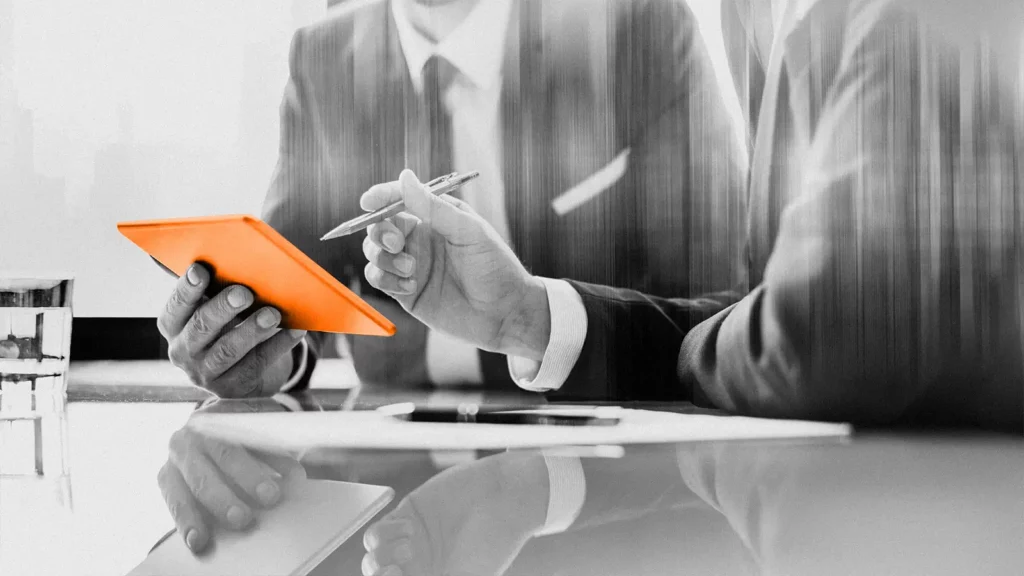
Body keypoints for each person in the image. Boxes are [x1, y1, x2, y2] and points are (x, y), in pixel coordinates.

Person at [360, 0, 1024, 430]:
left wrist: (692, 353)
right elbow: (762, 313)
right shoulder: (752, 16)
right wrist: (528, 318)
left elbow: (824, 335)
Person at [155, 0, 747, 397]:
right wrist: (259, 357)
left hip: (618, 480)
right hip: (391, 500)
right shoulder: (324, 59)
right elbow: (290, 299)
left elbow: (730, 314)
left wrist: (528, 324)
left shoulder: (638, 27)